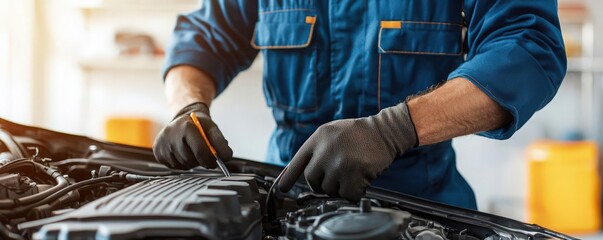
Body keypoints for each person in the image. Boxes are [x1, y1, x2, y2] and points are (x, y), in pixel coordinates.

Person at [153, 0, 566, 210]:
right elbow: (204, 36)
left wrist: (393, 130)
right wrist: (186, 107)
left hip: (423, 208)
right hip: (282, 199)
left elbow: (528, 48)